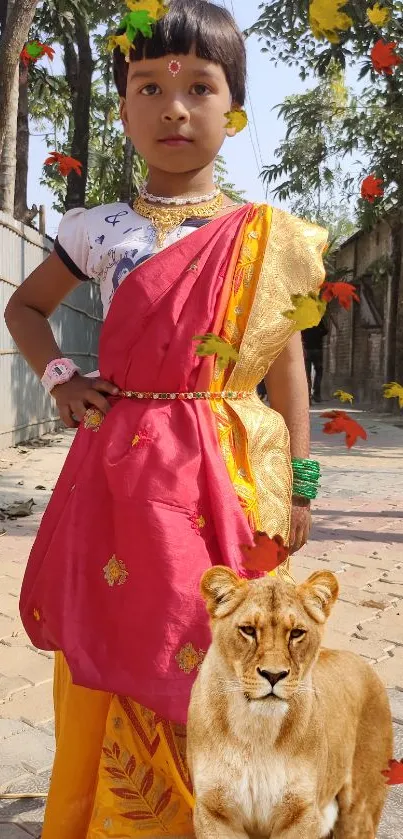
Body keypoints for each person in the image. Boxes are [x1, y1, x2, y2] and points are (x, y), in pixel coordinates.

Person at [5, 1, 326, 836]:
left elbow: (288, 366)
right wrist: (65, 381)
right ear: (121, 107)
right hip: (124, 471)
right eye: (147, 85)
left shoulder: (267, 238)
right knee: (121, 633)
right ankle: (111, 812)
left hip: (229, 468)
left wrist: (298, 483)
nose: (172, 106)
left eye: (198, 85)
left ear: (233, 107)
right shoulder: (97, 228)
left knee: (219, 641)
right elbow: (25, 310)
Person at [302, 320, 328, 403]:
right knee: (319, 372)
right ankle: (317, 394)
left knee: (307, 375)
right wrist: (318, 334)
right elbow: (325, 331)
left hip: (306, 350)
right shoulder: (317, 319)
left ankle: (307, 397)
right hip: (317, 349)